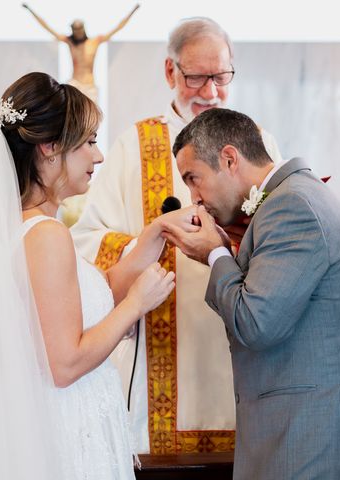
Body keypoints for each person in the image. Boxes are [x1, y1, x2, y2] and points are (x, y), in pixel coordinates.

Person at [0, 72, 197, 479]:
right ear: (51, 148)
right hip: (64, 433)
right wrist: (136, 305)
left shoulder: (26, 227)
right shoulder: (47, 236)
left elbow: (88, 297)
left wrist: (153, 234)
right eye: (89, 141)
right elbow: (65, 364)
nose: (99, 156)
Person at [71, 17, 283, 455]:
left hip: (244, 337)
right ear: (170, 72)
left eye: (221, 77)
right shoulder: (137, 143)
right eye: (196, 77)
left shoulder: (256, 141)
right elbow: (89, 239)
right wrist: (151, 244)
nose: (210, 91)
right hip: (164, 354)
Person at [162, 108, 340, 479]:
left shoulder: (291, 206)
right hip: (300, 426)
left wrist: (214, 253)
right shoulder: (291, 197)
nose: (194, 197)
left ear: (229, 159)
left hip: (309, 436)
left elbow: (257, 323)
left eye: (193, 178)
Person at [22, 3, 140, 102]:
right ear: (72, 30)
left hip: (90, 85)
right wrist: (31, 10)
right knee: (72, 114)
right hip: (75, 83)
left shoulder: (94, 42)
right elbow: (47, 27)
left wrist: (133, 11)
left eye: (80, 29)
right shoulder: (70, 41)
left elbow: (118, 27)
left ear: (84, 29)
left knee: (91, 116)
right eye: (76, 30)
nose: (78, 32)